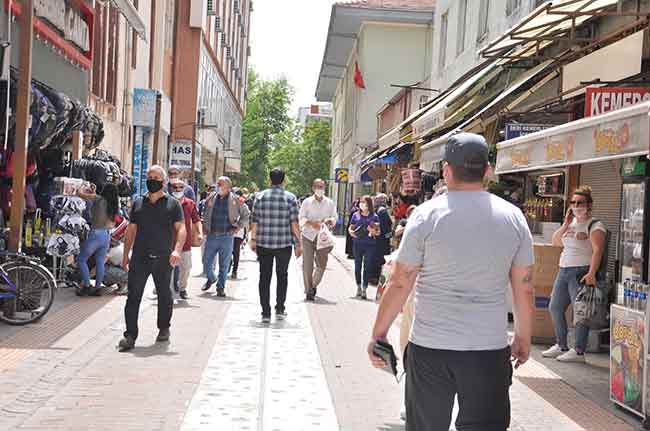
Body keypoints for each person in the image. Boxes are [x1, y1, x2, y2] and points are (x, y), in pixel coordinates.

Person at [367, 133, 535, 430]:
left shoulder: (426, 216)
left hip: (430, 347)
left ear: (446, 170)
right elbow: (524, 285)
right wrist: (523, 336)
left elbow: (401, 281)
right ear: (487, 171)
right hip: (488, 347)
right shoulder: (513, 217)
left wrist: (378, 334)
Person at [118, 165, 186, 352]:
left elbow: (181, 229)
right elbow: (131, 230)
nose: (151, 180)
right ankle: (130, 335)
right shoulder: (138, 203)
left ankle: (164, 328)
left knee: (165, 295)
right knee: (133, 296)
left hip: (163, 258)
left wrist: (177, 250)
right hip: (140, 257)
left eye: (155, 177)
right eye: (149, 176)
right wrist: (126, 255)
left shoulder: (173, 204)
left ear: (163, 182)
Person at [543, 186, 607, 363]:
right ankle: (561, 345)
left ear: (589, 205)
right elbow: (555, 242)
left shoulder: (595, 225)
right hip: (563, 270)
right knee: (555, 307)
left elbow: (598, 251)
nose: (576, 205)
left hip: (581, 271)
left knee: (581, 312)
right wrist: (565, 224)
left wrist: (592, 273)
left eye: (580, 203)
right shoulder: (570, 223)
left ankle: (578, 351)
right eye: (573, 202)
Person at [250, 168, 301, 323]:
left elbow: (254, 220)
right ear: (284, 180)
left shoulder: (260, 196)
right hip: (283, 243)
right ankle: (280, 309)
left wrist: (253, 239)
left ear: (269, 179)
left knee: (264, 277)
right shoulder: (290, 198)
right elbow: (294, 223)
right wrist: (298, 243)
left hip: (264, 243)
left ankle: (265, 312)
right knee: (282, 276)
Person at [201, 176, 250, 297]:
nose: (218, 186)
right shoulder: (211, 197)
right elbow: (204, 210)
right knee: (206, 262)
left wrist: (238, 227)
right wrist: (204, 226)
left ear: (228, 188)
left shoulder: (236, 200)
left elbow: (246, 214)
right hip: (212, 235)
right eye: (217, 184)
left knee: (224, 264)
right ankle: (212, 278)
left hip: (227, 237)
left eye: (220, 184)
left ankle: (220, 288)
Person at [76, 182, 119, 296]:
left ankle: (86, 285)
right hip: (106, 235)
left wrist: (82, 186)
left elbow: (80, 194)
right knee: (100, 261)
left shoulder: (99, 199)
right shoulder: (112, 205)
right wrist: (92, 191)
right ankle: (97, 287)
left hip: (96, 233)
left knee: (81, 259)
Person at [299, 179, 337, 301]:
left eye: (322, 186)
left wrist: (330, 221)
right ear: (313, 188)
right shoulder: (307, 202)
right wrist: (311, 223)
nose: (320, 188)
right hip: (308, 236)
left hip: (323, 238)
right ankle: (308, 290)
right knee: (307, 264)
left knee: (321, 265)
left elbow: (335, 218)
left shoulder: (330, 203)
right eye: (317, 186)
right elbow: (301, 219)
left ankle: (312, 286)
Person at [170, 178, 202, 300]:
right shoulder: (167, 202)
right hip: (169, 243)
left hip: (186, 243)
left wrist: (199, 233)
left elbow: (196, 220)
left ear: (184, 189)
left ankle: (182, 288)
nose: (177, 190)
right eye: (175, 187)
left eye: (180, 187)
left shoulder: (189, 204)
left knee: (186, 268)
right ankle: (167, 293)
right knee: (169, 270)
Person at [349, 195, 380, 300]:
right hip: (357, 243)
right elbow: (351, 227)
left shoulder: (374, 216)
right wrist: (351, 232)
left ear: (369, 204)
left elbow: (378, 232)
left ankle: (364, 288)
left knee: (367, 266)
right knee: (357, 266)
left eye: (364, 203)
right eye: (361, 202)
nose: (362, 204)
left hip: (370, 244)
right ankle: (358, 286)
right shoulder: (355, 215)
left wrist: (373, 230)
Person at [372, 193, 392, 285]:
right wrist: (390, 235)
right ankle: (377, 278)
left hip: (376, 239)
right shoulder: (383, 211)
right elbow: (385, 226)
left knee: (376, 258)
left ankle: (373, 277)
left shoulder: (377, 210)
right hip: (382, 240)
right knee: (380, 259)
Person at [229, 188, 248, 280]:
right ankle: (228, 263)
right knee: (229, 250)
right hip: (229, 232)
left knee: (236, 251)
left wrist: (246, 234)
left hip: (239, 233)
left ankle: (234, 270)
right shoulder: (229, 204)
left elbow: (246, 220)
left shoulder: (243, 205)